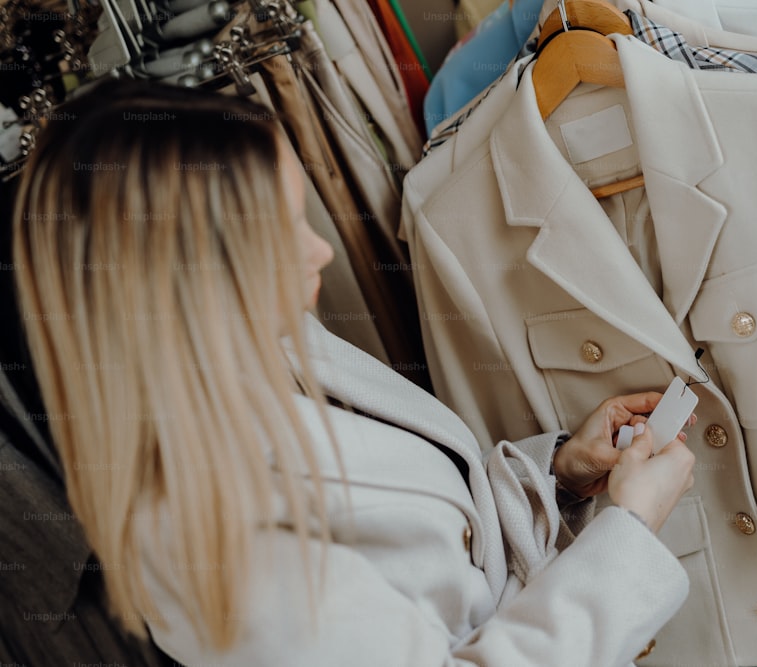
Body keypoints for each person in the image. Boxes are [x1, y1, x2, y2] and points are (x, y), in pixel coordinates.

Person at [11, 79, 697, 666]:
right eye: (281, 231)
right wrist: (630, 528)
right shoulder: (220, 553)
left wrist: (557, 475)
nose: (321, 251)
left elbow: (433, 538)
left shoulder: (277, 344)